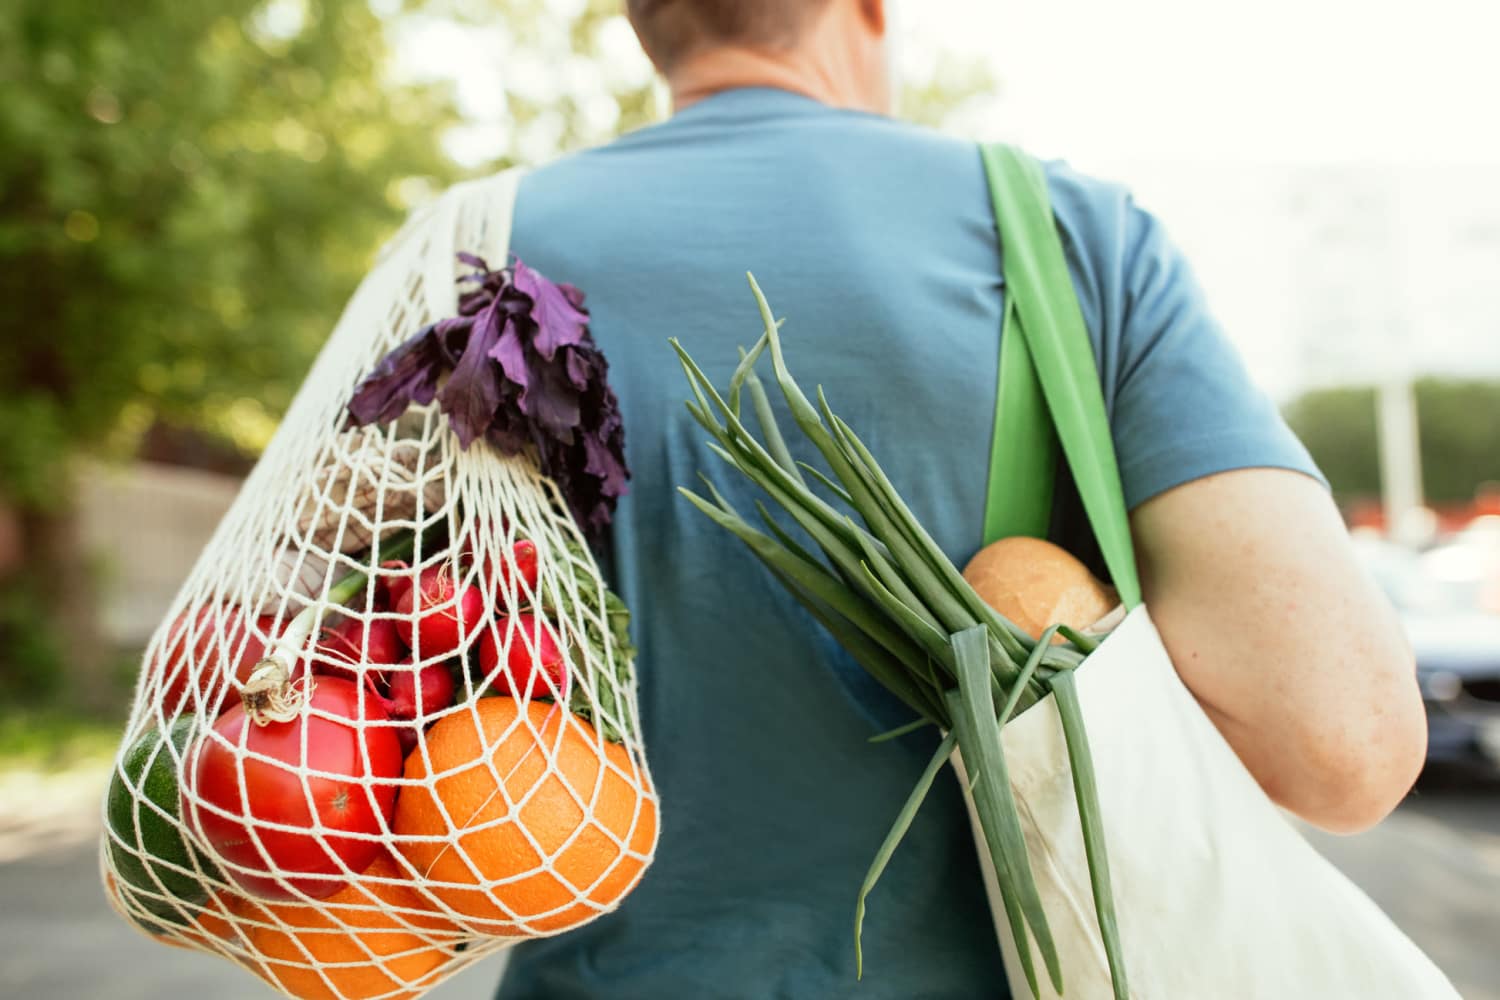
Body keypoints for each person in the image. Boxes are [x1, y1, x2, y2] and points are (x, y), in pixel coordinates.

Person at [499, 1, 1427, 996]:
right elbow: (1346, 747)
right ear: (865, 10)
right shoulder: (1068, 237)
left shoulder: (476, 246)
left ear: (649, 26)